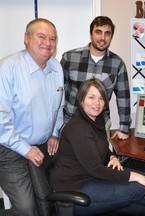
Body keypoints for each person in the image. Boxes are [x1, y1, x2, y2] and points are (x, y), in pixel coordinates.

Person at [48, 78, 145, 216]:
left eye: (101, 98)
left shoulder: (95, 119)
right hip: (74, 190)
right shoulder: (79, 128)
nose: (97, 103)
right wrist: (135, 176)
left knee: (140, 207)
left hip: (89, 179)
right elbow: (96, 169)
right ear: (81, 100)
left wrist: (112, 157)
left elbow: (100, 147)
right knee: (140, 190)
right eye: (91, 97)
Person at [0, 18, 64, 215]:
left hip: (45, 145)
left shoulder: (56, 67)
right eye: (42, 36)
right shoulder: (7, 68)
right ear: (26, 38)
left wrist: (54, 133)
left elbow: (58, 105)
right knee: (28, 208)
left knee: (55, 194)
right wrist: (26, 149)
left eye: (52, 38)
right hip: (11, 149)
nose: (48, 43)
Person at [61, 16, 131, 140]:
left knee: (99, 159)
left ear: (111, 37)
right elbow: (58, 93)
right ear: (91, 34)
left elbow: (123, 98)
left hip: (100, 125)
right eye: (98, 32)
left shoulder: (117, 64)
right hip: (70, 123)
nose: (103, 38)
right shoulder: (70, 58)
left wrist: (124, 128)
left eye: (107, 33)